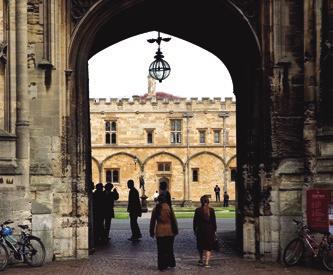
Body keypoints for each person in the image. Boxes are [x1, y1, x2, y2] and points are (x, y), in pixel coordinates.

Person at [150, 194, 178, 271]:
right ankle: (170, 263)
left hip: (160, 231)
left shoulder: (156, 209)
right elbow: (173, 220)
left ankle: (162, 265)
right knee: (169, 248)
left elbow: (152, 222)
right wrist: (176, 230)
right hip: (169, 231)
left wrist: (151, 231)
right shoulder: (169, 208)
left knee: (161, 250)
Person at [193, 195, 217, 268]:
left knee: (200, 246)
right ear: (208, 202)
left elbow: (195, 222)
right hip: (209, 231)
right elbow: (214, 222)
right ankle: (206, 262)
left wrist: (194, 230)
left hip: (200, 230)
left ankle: (201, 260)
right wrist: (215, 230)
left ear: (201, 202)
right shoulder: (211, 210)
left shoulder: (198, 210)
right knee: (208, 247)